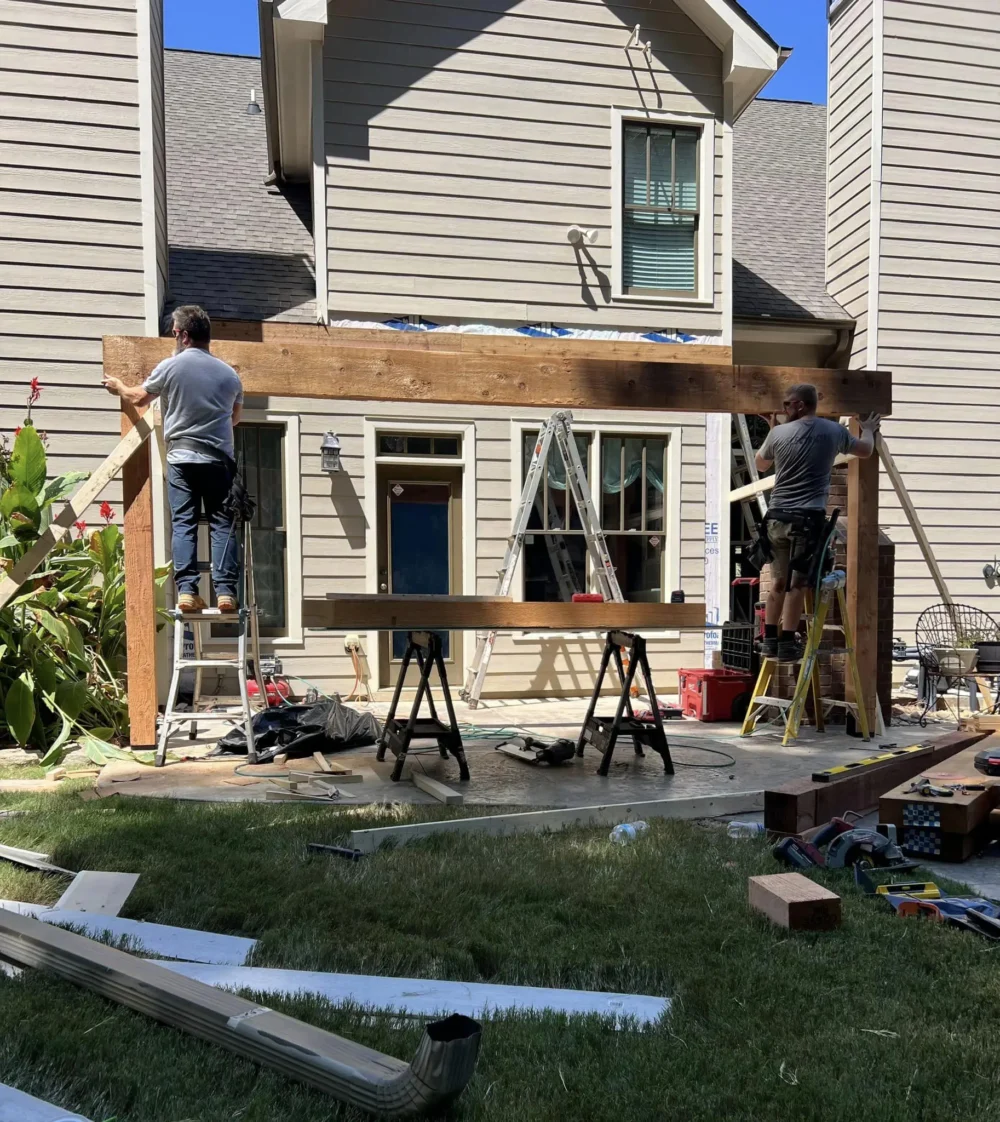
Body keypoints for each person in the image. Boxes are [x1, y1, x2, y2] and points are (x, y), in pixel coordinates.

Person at [102, 305, 244, 614]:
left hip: (182, 458)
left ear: (182, 335)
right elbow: (234, 418)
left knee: (184, 524)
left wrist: (119, 388)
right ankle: (226, 593)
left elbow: (139, 398)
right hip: (219, 460)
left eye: (174, 332)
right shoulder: (230, 375)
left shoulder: (171, 366)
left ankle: (187, 592)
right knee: (222, 525)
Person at [754, 384, 880, 661]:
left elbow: (761, 464)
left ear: (800, 405)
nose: (784, 409)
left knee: (778, 582)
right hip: (806, 520)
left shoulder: (778, 433)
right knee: (798, 584)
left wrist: (774, 431)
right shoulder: (833, 431)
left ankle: (770, 641)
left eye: (787, 404)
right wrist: (868, 427)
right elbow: (866, 450)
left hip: (776, 519)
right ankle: (787, 642)